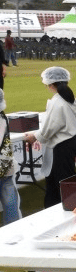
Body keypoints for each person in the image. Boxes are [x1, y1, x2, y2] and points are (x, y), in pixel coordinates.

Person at [23, 67, 76, 208]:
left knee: (60, 183)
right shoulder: (67, 98)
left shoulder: (58, 101)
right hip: (68, 142)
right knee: (63, 181)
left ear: (50, 84)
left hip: (61, 145)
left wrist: (35, 136)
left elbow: (50, 128)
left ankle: (65, 210)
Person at [0, 89, 21, 224]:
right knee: (10, 201)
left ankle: (13, 230)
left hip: (4, 165)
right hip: (5, 164)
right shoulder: (2, 117)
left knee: (10, 203)